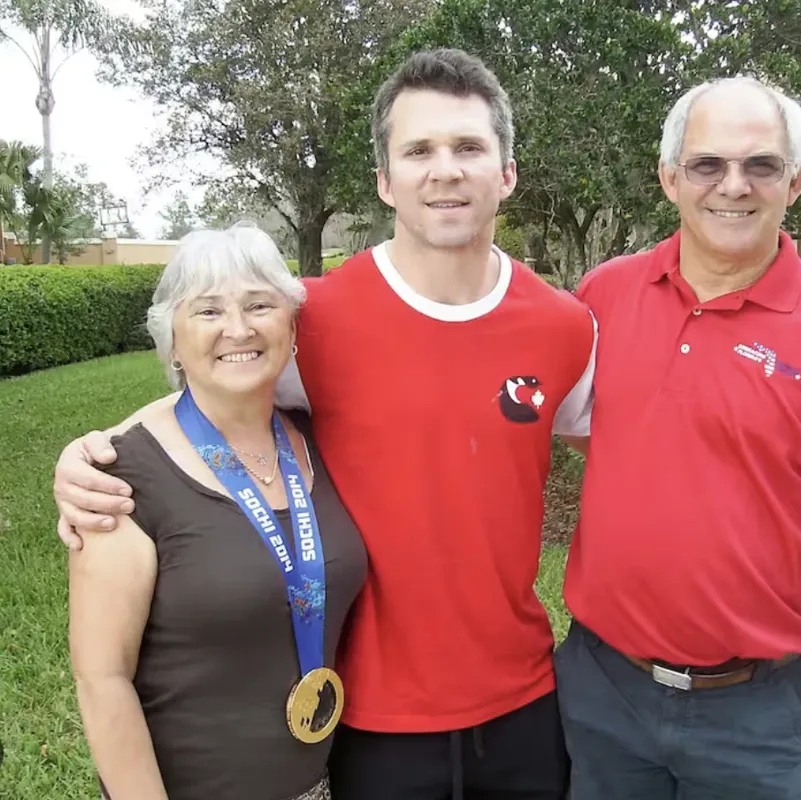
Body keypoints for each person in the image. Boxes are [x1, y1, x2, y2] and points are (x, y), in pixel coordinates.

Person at [54, 49, 596, 800]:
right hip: (368, 718)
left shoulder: (565, 328)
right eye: (419, 150)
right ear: (385, 180)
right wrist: (92, 455)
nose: (445, 169)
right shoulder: (314, 318)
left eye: (469, 147)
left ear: (506, 172)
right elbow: (212, 388)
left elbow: (618, 460)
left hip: (527, 706)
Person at [551, 77, 801, 799]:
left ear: (797, 181)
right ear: (669, 178)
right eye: (708, 164)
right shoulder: (605, 296)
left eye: (762, 166)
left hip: (752, 712)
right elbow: (583, 431)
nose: (734, 186)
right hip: (600, 691)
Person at [68, 224, 367, 800]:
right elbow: (101, 680)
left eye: (260, 305)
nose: (239, 328)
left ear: (291, 327)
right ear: (173, 341)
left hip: (317, 786)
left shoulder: (316, 438)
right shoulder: (120, 476)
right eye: (208, 311)